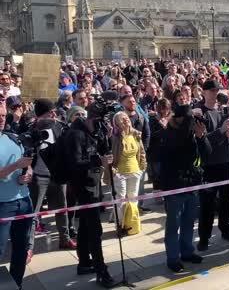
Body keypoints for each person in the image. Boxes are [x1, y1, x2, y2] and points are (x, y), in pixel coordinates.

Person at [64, 102, 115, 287]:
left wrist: (107, 139)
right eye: (101, 121)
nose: (102, 125)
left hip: (94, 183)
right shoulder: (75, 134)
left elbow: (103, 149)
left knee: (86, 225)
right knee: (95, 229)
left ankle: (84, 262)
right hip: (81, 186)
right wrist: (97, 160)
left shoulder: (97, 129)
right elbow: (75, 163)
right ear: (92, 118)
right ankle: (102, 272)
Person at [157, 103, 209, 272]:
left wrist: (201, 137)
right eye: (189, 120)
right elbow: (179, 153)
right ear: (179, 119)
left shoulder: (193, 134)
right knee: (174, 224)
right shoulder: (169, 134)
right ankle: (173, 258)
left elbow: (207, 152)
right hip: (174, 187)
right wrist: (189, 130)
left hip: (192, 184)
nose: (192, 122)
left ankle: (187, 251)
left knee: (189, 221)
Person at [27, 99, 76, 258]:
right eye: (50, 113)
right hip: (38, 176)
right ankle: (29, 247)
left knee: (62, 209)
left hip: (57, 175)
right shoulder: (31, 129)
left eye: (54, 112)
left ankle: (64, 239)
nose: (54, 115)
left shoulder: (59, 127)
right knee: (33, 213)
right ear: (41, 115)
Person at [195, 89, 229, 250]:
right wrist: (221, 131)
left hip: (228, 161)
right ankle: (204, 236)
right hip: (210, 164)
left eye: (217, 91)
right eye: (212, 91)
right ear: (205, 93)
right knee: (207, 203)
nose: (215, 95)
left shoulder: (225, 112)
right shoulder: (200, 112)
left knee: (228, 198)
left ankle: (227, 228)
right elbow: (203, 140)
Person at [0, 101, 33, 289]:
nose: (1, 119)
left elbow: (27, 164)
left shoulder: (13, 138)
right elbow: (17, 164)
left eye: (4, 115)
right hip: (3, 204)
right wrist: (15, 166)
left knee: (21, 249)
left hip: (23, 200)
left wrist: (28, 174)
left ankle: (16, 284)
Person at [110, 111, 147, 235]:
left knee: (133, 199)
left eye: (126, 118)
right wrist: (113, 170)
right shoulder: (114, 136)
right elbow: (110, 154)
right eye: (122, 119)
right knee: (120, 200)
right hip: (119, 172)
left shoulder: (136, 134)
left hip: (135, 170)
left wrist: (142, 166)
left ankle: (131, 223)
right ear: (116, 123)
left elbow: (141, 151)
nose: (126, 120)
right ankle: (120, 225)